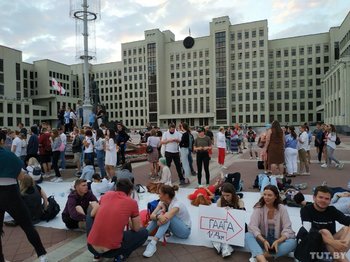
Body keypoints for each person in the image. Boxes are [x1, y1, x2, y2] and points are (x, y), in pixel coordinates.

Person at [0, 130, 48, 262]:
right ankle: (41, 254)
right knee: (27, 225)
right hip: (11, 193)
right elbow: (21, 176)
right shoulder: (10, 156)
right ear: (2, 141)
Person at [87, 178, 148, 261]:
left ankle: (96, 255)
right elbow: (136, 228)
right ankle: (121, 256)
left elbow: (92, 214)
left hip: (91, 247)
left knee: (91, 209)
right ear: (130, 191)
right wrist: (128, 218)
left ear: (116, 188)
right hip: (111, 251)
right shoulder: (132, 203)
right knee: (144, 232)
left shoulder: (107, 195)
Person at [245, 185, 296, 262]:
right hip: (263, 240)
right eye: (264, 195)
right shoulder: (259, 207)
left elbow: (287, 228)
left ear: (276, 196)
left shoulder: (282, 208)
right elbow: (253, 226)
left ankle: (260, 255)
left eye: (269, 195)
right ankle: (263, 260)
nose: (266, 197)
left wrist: (278, 241)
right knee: (248, 235)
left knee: (293, 242)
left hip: (277, 241)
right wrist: (263, 241)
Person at [143, 185, 191, 258]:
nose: (158, 196)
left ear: (166, 195)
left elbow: (164, 219)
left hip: (185, 231)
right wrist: (159, 216)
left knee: (166, 217)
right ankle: (143, 236)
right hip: (174, 228)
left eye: (160, 194)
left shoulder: (177, 205)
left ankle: (153, 243)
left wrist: (160, 216)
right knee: (161, 215)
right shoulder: (162, 202)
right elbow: (152, 216)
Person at [301, 186, 350, 257]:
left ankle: (338, 255)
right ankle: (339, 257)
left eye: (327, 199)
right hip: (315, 242)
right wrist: (332, 242)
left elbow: (346, 220)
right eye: (320, 197)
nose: (323, 200)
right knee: (324, 231)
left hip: (333, 244)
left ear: (330, 200)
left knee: (346, 228)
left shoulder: (332, 210)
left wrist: (335, 243)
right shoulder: (306, 210)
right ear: (314, 198)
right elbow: (309, 231)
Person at [213, 183, 245, 257]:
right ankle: (224, 245)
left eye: (228, 195)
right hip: (225, 224)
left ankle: (222, 244)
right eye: (223, 195)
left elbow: (241, 217)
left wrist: (233, 211)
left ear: (233, 194)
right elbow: (217, 217)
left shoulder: (239, 202)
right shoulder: (220, 201)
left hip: (235, 224)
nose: (225, 197)